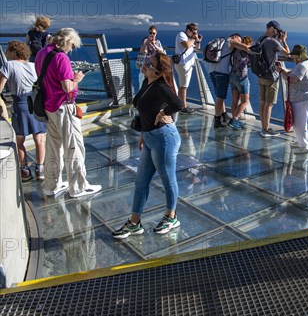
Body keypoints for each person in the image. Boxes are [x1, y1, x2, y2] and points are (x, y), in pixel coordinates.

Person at [113, 52, 184, 239]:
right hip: (151, 138)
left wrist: (163, 112)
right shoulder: (147, 82)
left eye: (149, 64)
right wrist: (143, 134)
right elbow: (144, 109)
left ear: (159, 72)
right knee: (141, 182)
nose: (145, 65)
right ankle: (134, 223)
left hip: (164, 138)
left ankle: (172, 216)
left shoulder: (161, 86)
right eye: (146, 61)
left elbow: (178, 103)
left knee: (168, 179)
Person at [35, 28, 102, 197]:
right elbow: (67, 87)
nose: (72, 49)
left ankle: (52, 185)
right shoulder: (61, 57)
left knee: (53, 148)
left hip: (48, 107)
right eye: (72, 45)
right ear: (66, 41)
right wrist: (77, 79)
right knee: (74, 147)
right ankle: (79, 186)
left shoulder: (42, 54)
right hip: (64, 107)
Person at [0, 41, 46, 180]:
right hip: (36, 103)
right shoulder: (33, 66)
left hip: (20, 104)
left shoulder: (8, 65)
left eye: (8, 51)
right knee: (40, 139)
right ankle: (40, 169)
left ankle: (25, 171)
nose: (6, 54)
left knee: (20, 141)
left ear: (14, 51)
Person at [276, 45, 308, 154]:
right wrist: (282, 69)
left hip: (301, 99)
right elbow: (293, 73)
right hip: (301, 97)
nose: (293, 58)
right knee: (298, 122)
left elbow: (292, 79)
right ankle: (299, 141)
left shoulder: (302, 66)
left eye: (294, 56)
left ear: (298, 56)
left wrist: (279, 72)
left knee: (300, 123)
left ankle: (304, 146)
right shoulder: (304, 64)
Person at [207, 33, 250, 128]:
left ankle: (224, 115)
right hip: (221, 72)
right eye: (239, 40)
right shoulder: (232, 41)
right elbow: (246, 48)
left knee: (219, 95)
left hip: (212, 70)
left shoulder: (221, 40)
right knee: (220, 97)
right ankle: (217, 119)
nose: (239, 42)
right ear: (234, 37)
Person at [255, 20, 290, 137]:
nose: (277, 33)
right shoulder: (273, 42)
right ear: (272, 29)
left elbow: (269, 52)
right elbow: (287, 54)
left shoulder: (260, 39)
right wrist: (284, 41)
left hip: (261, 75)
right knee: (269, 104)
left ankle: (263, 128)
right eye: (277, 30)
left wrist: (278, 41)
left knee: (262, 103)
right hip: (271, 76)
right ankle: (266, 130)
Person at [174, 23, 202, 113]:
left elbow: (197, 48)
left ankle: (179, 105)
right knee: (183, 87)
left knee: (183, 86)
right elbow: (186, 45)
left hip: (187, 64)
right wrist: (194, 39)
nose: (195, 35)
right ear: (188, 30)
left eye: (196, 33)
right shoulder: (181, 35)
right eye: (193, 33)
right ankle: (183, 107)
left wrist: (198, 41)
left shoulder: (191, 39)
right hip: (183, 64)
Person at [229, 35, 253, 129]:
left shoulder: (235, 50)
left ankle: (235, 120)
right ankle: (235, 119)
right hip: (242, 78)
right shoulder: (247, 52)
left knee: (235, 100)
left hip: (232, 76)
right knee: (245, 101)